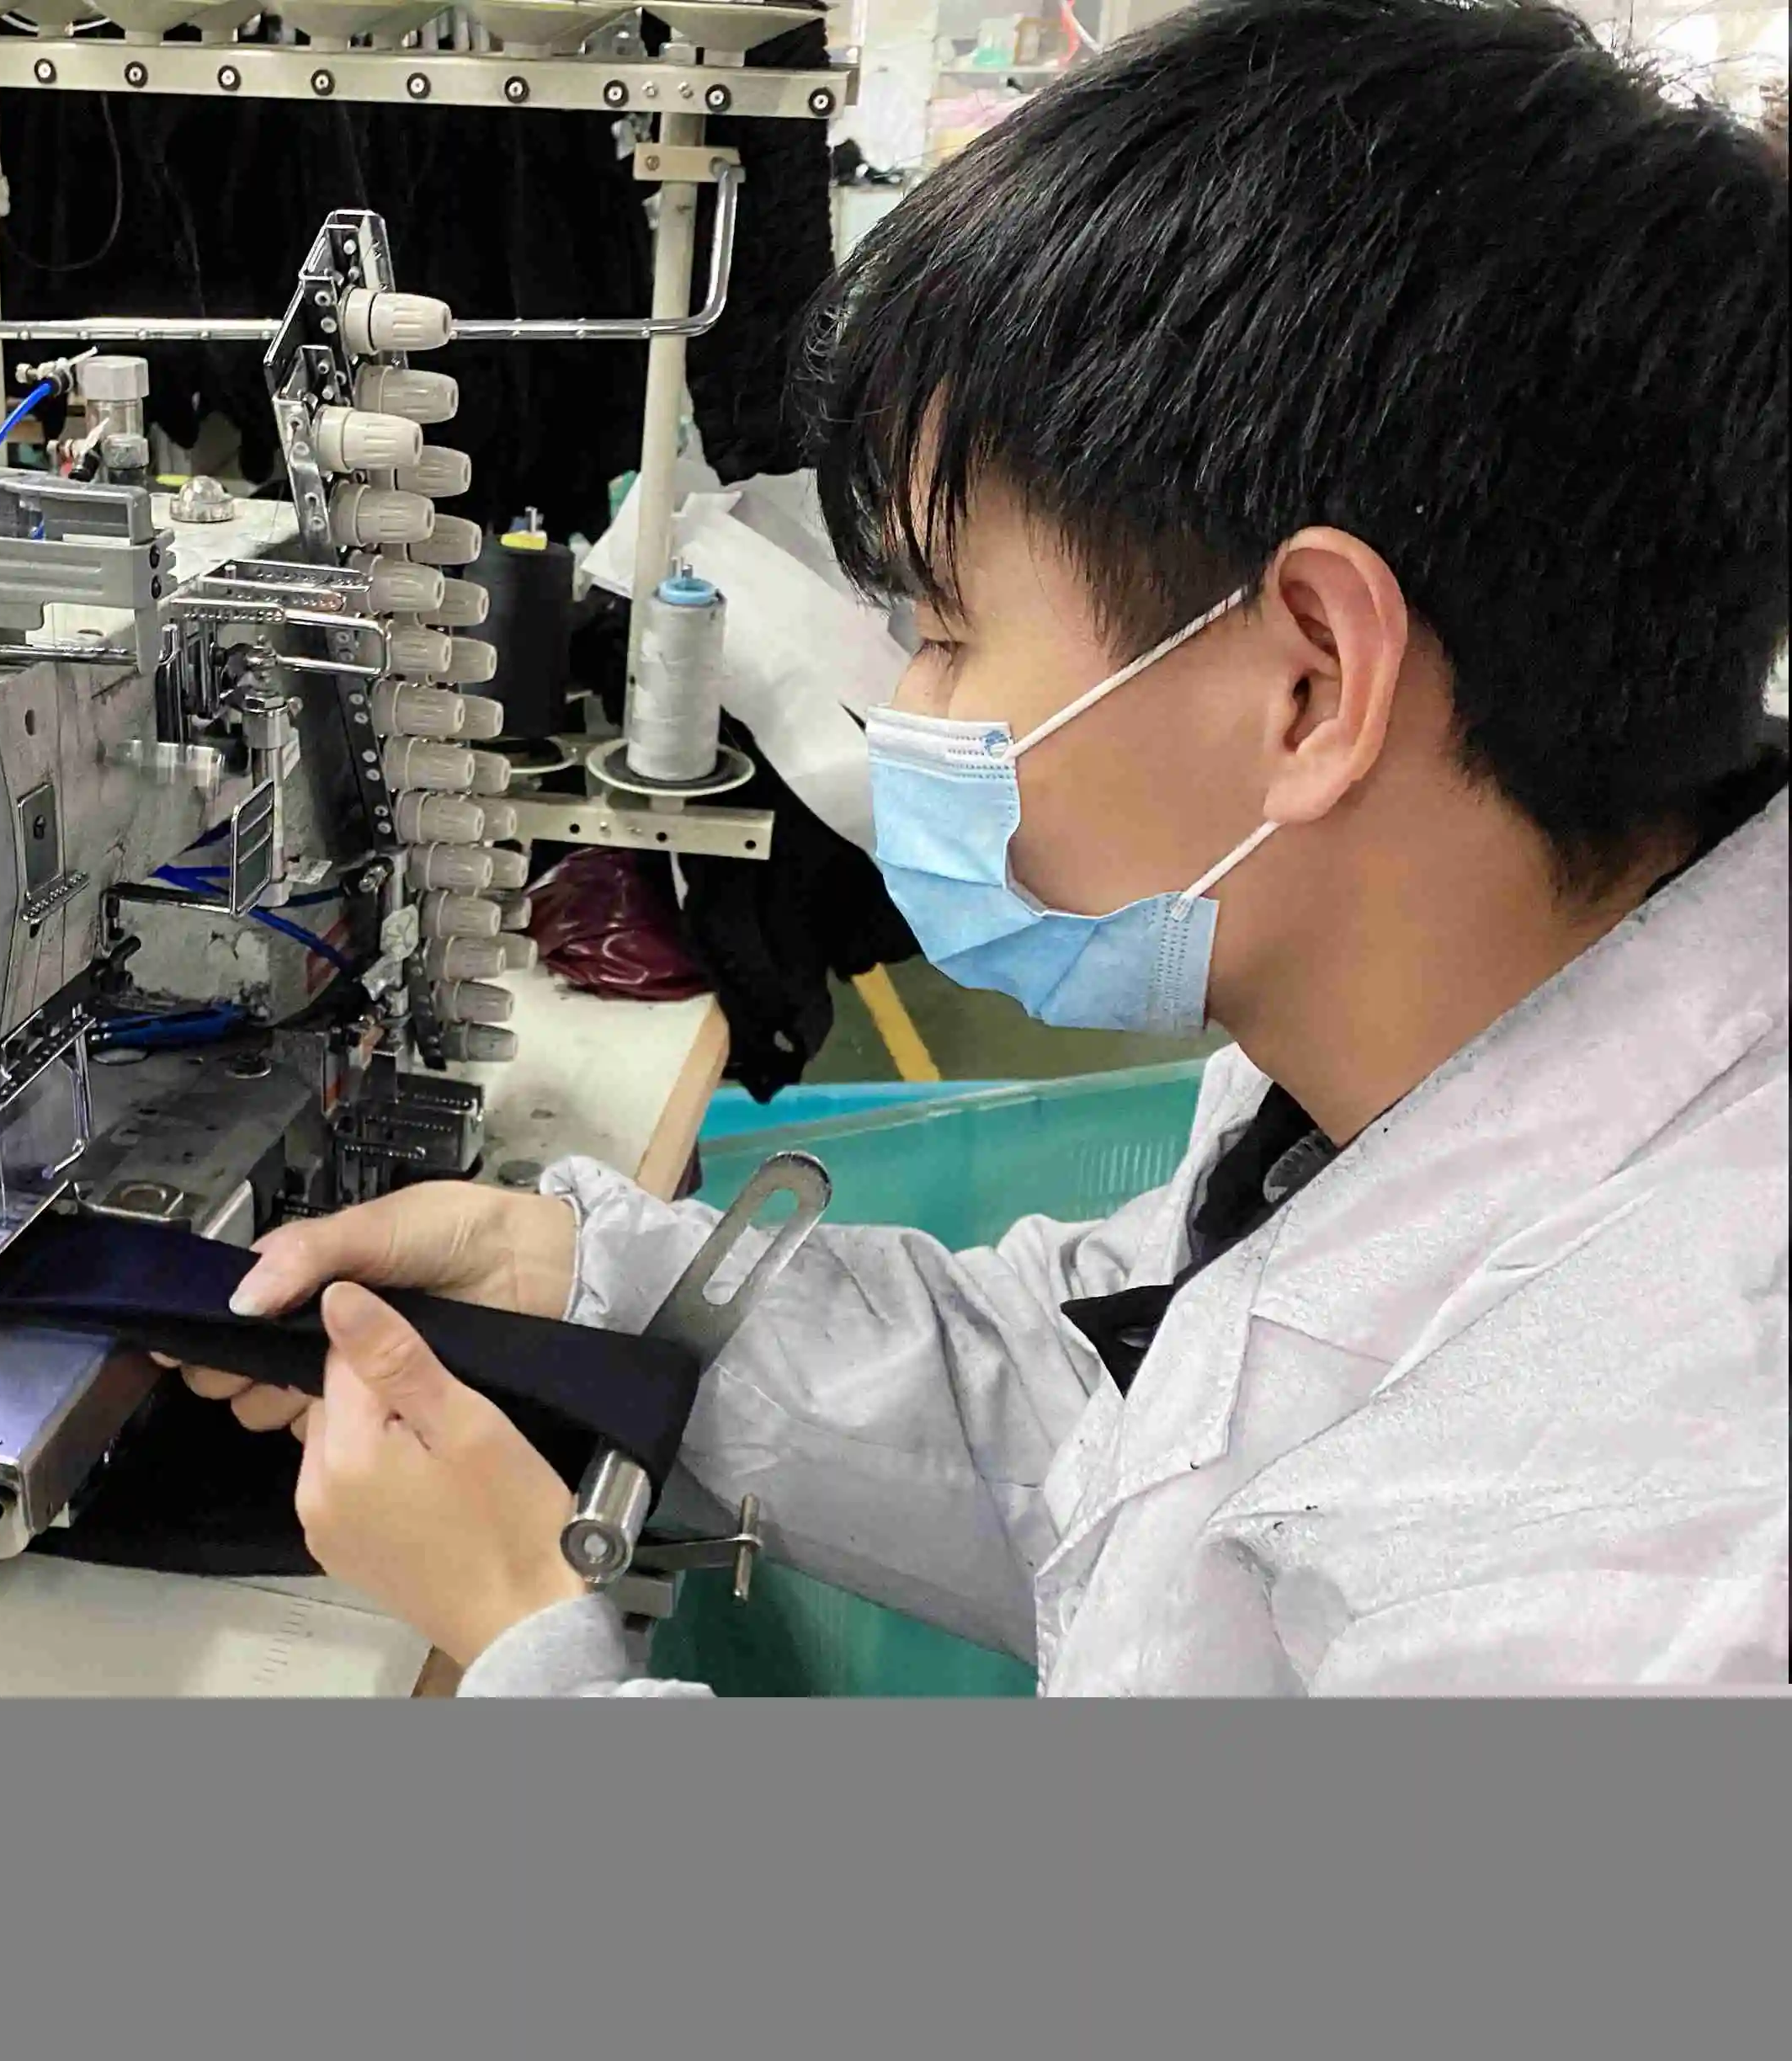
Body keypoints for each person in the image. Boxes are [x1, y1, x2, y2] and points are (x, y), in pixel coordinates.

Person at [182, 0, 1790, 1693]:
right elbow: (1124, 1413)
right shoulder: (1412, 1052)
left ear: (1310, 683)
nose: (907, 707)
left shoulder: (1658, 1546)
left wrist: (533, 1645)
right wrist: (588, 1286)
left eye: (945, 631)